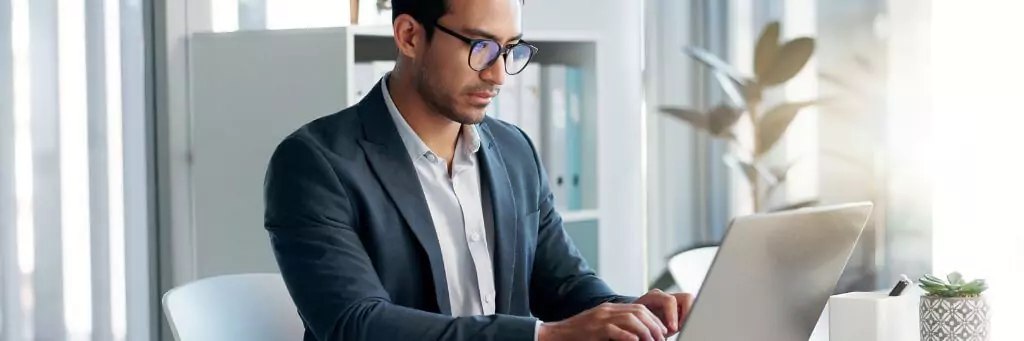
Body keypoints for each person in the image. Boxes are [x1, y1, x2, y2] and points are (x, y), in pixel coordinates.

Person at [263, 0, 692, 340]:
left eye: (510, 50)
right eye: (481, 47)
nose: (499, 74)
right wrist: (541, 337)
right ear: (410, 35)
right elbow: (357, 325)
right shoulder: (314, 164)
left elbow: (563, 286)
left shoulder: (514, 149)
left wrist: (635, 313)